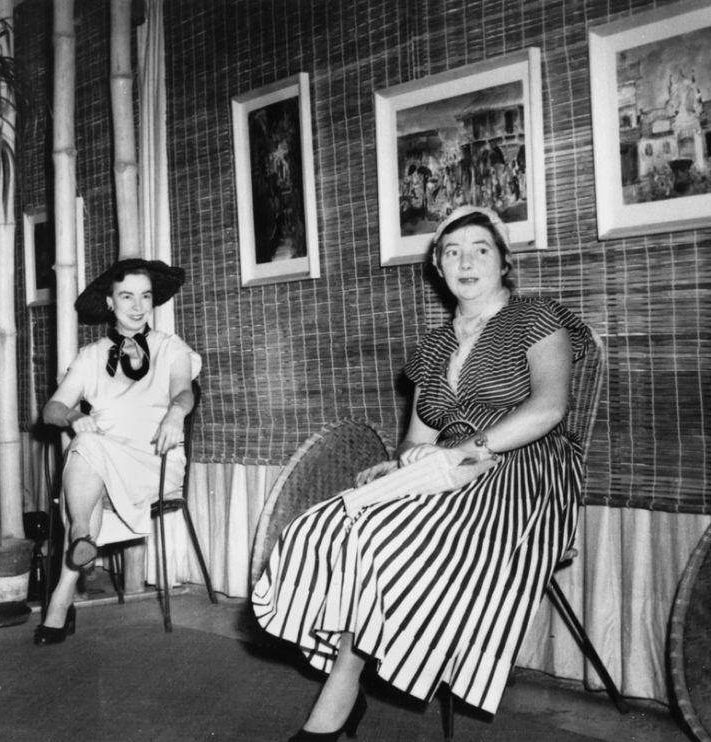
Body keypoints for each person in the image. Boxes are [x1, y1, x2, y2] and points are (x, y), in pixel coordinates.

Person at [252, 205, 593, 740]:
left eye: (481, 249)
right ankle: (342, 696)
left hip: (522, 467)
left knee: (390, 543)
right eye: (452, 252)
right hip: (443, 470)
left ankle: (333, 711)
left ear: (504, 262)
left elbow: (550, 408)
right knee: (322, 528)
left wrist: (464, 452)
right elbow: (421, 435)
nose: (466, 261)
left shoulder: (538, 317)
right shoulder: (433, 345)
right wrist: (405, 459)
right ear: (437, 265)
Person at [34, 258, 199, 645]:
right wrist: (74, 415)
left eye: (145, 296)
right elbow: (51, 410)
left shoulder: (170, 347)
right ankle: (79, 543)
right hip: (102, 460)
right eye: (127, 296)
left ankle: (66, 584)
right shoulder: (92, 355)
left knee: (87, 454)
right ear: (110, 302)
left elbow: (183, 389)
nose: (138, 306)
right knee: (88, 445)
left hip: (155, 462)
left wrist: (176, 412)